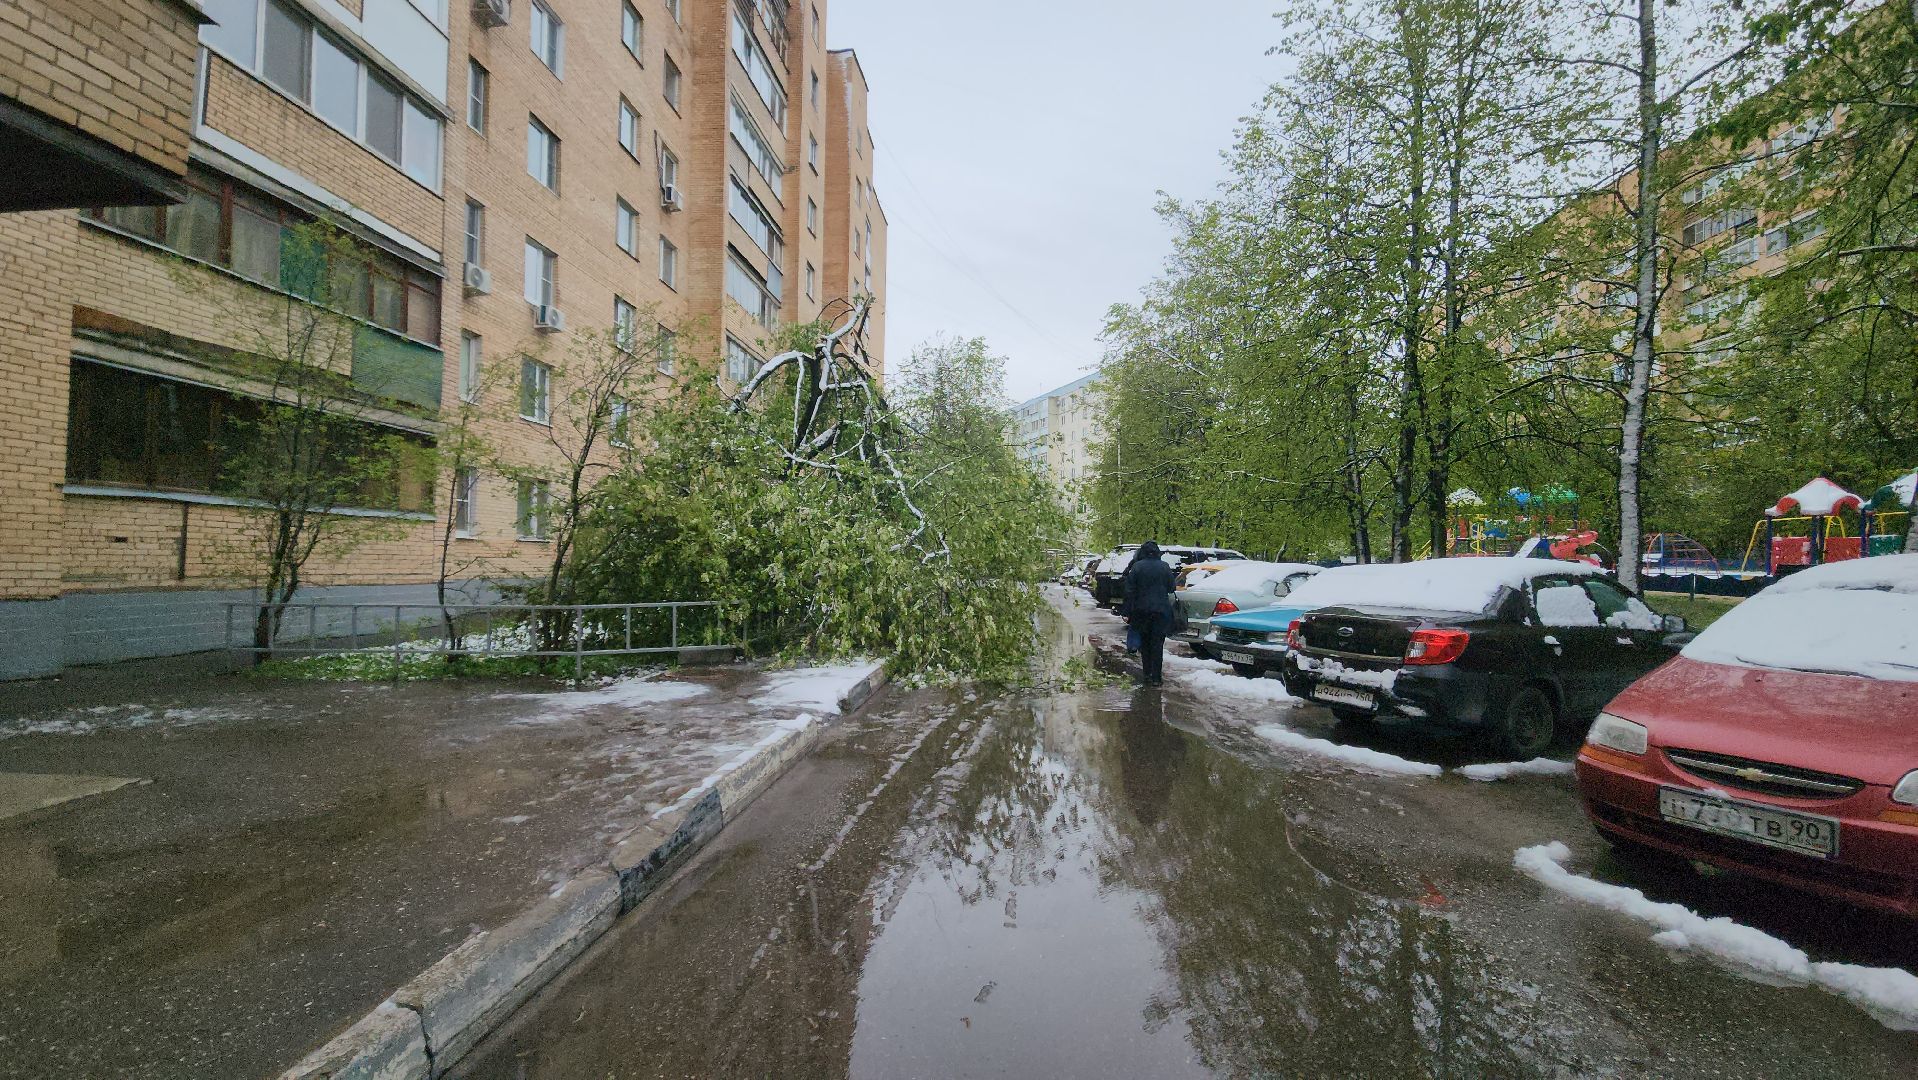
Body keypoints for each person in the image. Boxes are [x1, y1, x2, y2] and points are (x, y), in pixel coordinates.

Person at [1122, 540, 1176, 686]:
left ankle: (1147, 674)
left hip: (1141, 611)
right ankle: (1157, 678)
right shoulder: (1164, 567)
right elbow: (1172, 587)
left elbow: (1129, 591)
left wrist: (1126, 611)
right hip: (1161, 611)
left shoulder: (1137, 567)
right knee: (1157, 644)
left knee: (1145, 644)